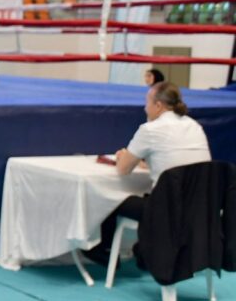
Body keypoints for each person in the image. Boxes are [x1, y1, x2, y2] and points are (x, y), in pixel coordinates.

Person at [83, 81, 211, 266]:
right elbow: (179, 162)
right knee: (150, 197)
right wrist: (148, 163)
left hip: (167, 210)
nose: (145, 108)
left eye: (147, 103)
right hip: (200, 208)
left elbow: (123, 169)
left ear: (158, 105)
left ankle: (101, 249)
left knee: (111, 197)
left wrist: (122, 156)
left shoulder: (150, 129)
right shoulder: (195, 126)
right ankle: (144, 251)